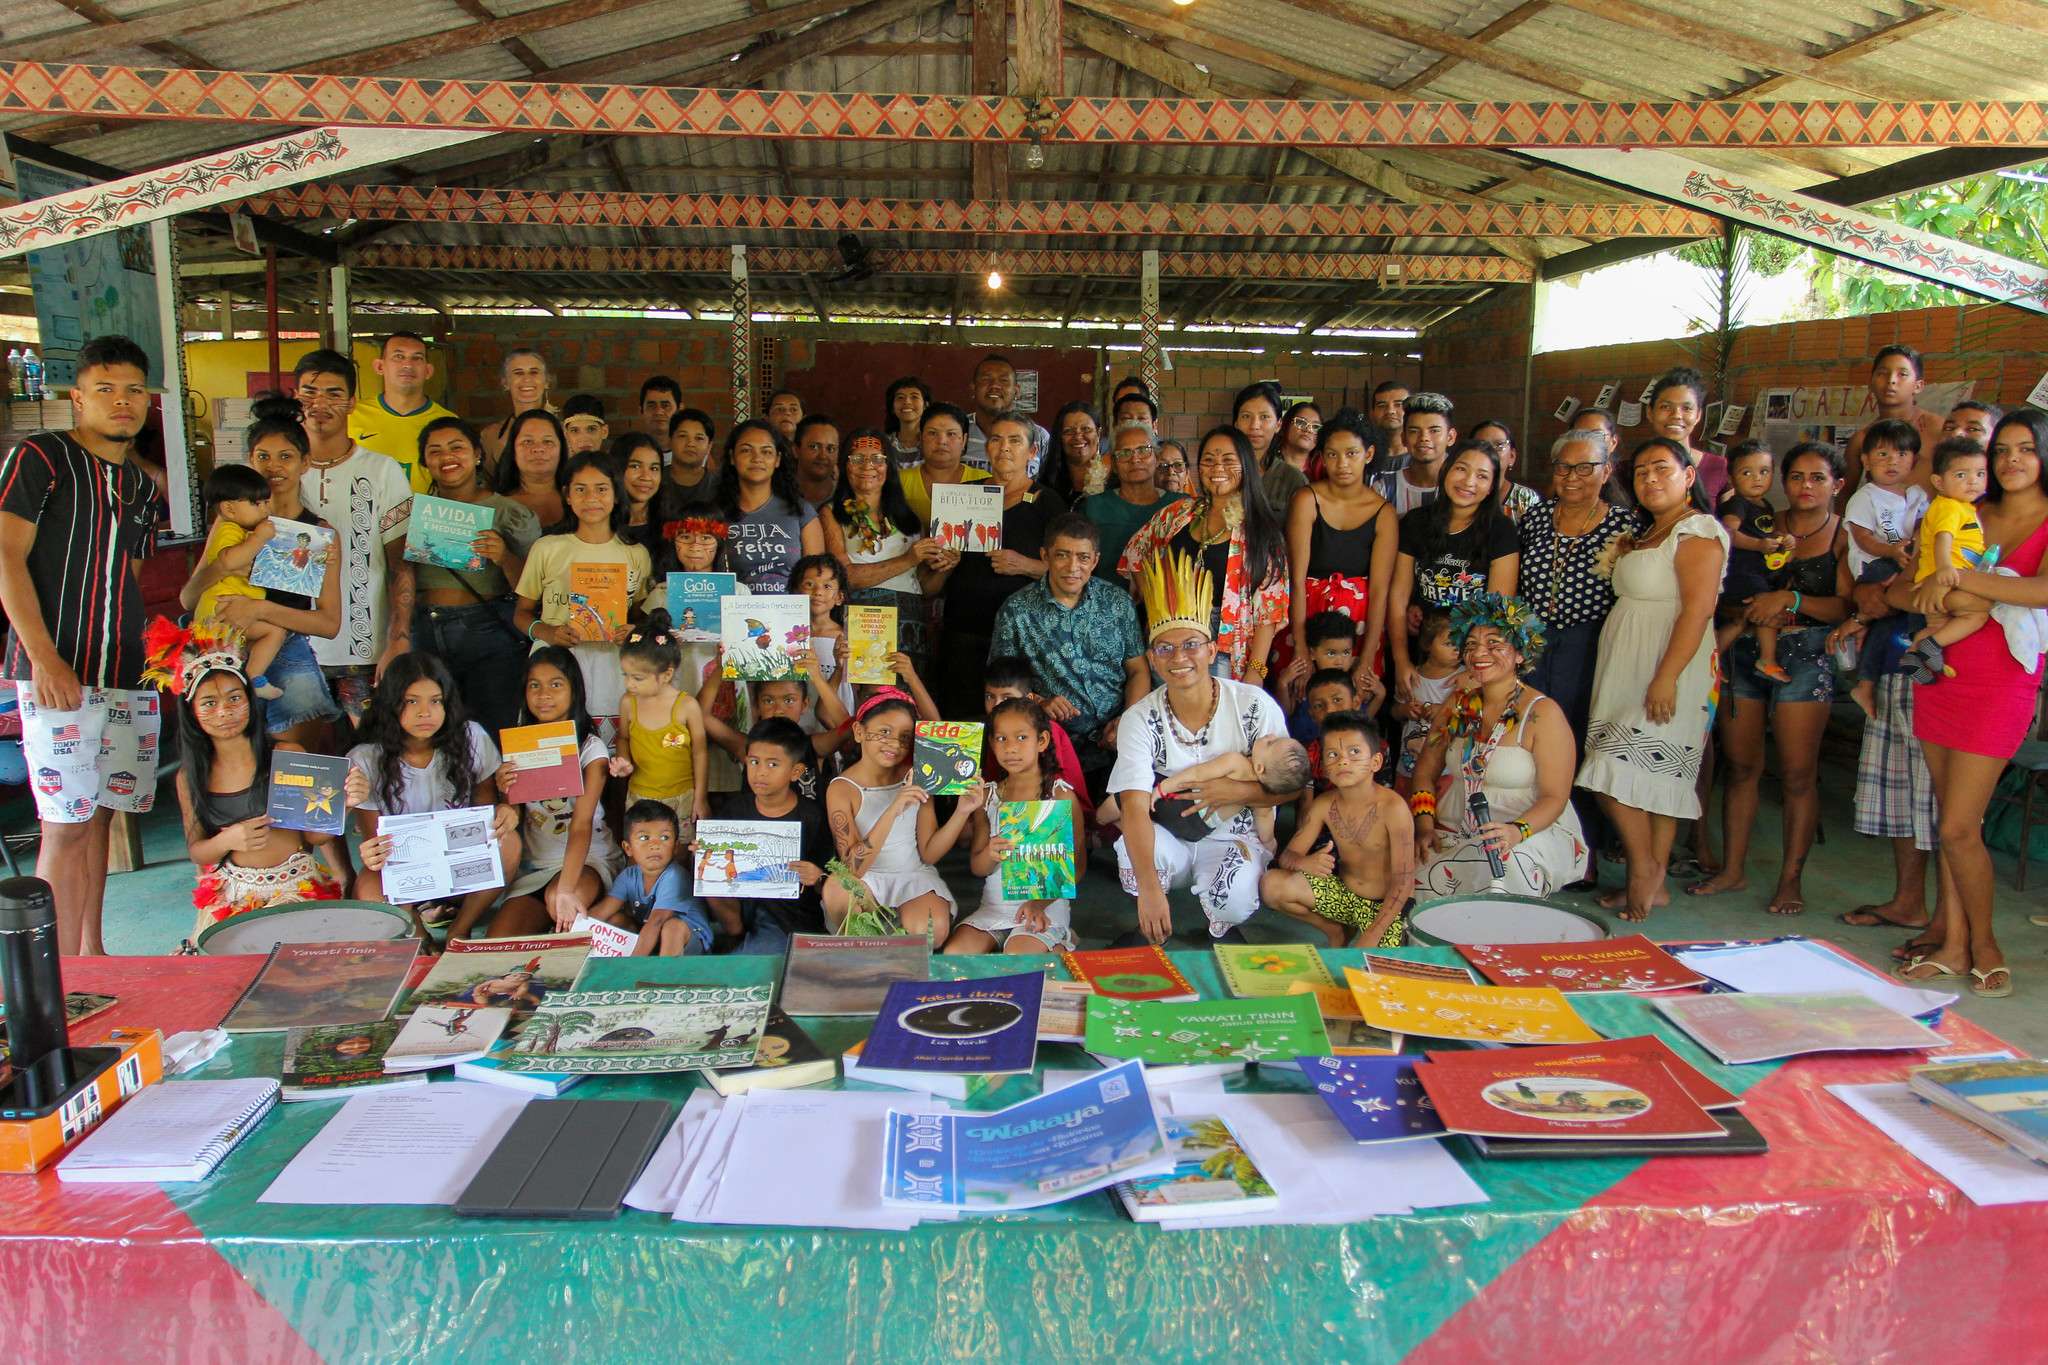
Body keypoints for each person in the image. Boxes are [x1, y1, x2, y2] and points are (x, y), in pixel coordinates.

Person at [0, 335, 164, 955]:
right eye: (105, 389)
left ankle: (94, 957)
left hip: (122, 674)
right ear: (77, 397)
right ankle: (56, 971)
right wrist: (44, 659)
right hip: (55, 675)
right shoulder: (40, 458)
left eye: (132, 391)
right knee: (65, 827)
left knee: (100, 817)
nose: (120, 402)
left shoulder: (144, 489)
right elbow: (5, 557)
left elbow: (132, 582)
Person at [1889, 409, 2048, 998]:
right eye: (2002, 449)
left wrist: (1961, 579)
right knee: (1956, 822)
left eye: (2026, 449)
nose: (2011, 460)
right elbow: (1905, 587)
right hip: (1942, 675)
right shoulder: (1962, 510)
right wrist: (1934, 581)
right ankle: (1954, 944)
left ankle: (1986, 943)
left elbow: (2041, 591)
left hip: (2001, 683)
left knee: (1957, 826)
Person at [1689, 442, 1848, 916]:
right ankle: (1733, 870)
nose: (1805, 486)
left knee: (1798, 775)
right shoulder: (1760, 522)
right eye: (1796, 476)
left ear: (1837, 485)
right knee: (1741, 768)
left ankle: (1789, 881)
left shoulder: (1843, 536)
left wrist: (1791, 601)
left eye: (1817, 478)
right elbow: (1728, 587)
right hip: (1746, 652)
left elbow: (1847, 606)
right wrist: (1748, 612)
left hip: (1808, 655)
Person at [1576, 438, 1728, 922]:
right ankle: (1655, 879)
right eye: (1640, 472)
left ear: (1689, 476)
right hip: (1628, 662)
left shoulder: (1698, 529)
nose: (1650, 479)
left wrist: (1666, 677)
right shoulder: (1648, 532)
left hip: (1668, 664)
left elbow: (1700, 608)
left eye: (1662, 468)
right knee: (1650, 776)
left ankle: (1644, 868)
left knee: (1612, 771)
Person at [1108, 552, 1295, 945]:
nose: (1179, 658)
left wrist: (1240, 791)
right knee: (1132, 848)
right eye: (1164, 648)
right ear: (1152, 659)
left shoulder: (1255, 706)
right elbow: (1134, 807)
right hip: (1169, 835)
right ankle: (1158, 903)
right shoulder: (1139, 718)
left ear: (1212, 651)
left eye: (1191, 644)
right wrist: (1150, 890)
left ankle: (1222, 924)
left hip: (1234, 836)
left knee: (1234, 900)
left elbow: (1293, 786)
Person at [154, 628, 346, 938]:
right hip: (232, 895)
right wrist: (227, 841)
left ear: (249, 699)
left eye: (234, 698)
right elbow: (198, 850)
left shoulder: (288, 755)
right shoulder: (190, 776)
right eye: (209, 703)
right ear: (191, 712)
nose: (225, 712)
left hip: (294, 889)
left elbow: (316, 837)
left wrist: (342, 803)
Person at [182, 400, 344, 748]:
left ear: (305, 463)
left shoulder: (319, 534)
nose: (274, 467)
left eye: (286, 456)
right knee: (232, 764)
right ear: (250, 461)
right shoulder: (229, 523)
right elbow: (188, 598)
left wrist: (258, 610)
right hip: (220, 647)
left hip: (285, 648)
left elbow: (329, 623)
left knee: (295, 767)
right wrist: (222, 568)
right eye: (262, 457)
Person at [1409, 597, 1587, 900]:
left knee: (1504, 868)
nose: (1479, 653)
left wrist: (1516, 831)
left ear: (1520, 653)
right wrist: (1425, 825)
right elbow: (1424, 773)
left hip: (1528, 833)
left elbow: (1555, 797)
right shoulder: (1455, 706)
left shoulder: (1543, 714)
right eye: (1471, 644)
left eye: (1494, 644)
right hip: (1457, 832)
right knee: (1406, 877)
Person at [1517, 427, 1637, 871]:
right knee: (1529, 740)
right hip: (1532, 645)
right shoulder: (1534, 517)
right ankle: (1528, 842)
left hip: (1588, 646)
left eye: (1585, 467)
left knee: (1579, 742)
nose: (1572, 476)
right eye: (1564, 466)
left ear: (1606, 471)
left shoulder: (1624, 526)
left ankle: (1580, 853)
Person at [346, 653, 522, 935]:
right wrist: (414, 923)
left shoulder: (471, 736)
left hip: (460, 860)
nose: (425, 712)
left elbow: (485, 812)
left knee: (508, 842)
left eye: (435, 700)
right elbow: (376, 847)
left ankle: (459, 929)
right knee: (368, 890)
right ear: (391, 704)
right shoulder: (365, 758)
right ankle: (417, 931)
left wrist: (506, 811)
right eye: (411, 701)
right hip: (402, 868)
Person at [293, 348, 415, 724]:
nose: (320, 403)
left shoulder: (382, 470)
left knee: (373, 759)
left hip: (366, 650)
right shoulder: (278, 470)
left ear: (351, 403)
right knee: (301, 768)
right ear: (295, 397)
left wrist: (398, 638)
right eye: (309, 392)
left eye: (333, 393)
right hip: (293, 649)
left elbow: (401, 560)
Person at [1117, 426, 1289, 685]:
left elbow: (1269, 611)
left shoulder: (1262, 532)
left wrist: (1256, 669)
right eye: (1209, 460)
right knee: (1167, 719)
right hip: (1169, 639)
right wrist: (1155, 603)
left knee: (1216, 720)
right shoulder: (1179, 513)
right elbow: (1136, 551)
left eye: (1228, 460)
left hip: (1223, 646)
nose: (1217, 468)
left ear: (1247, 465)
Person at [924, 412, 1067, 717]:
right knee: (962, 725)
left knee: (1015, 725)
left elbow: (1071, 575)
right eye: (996, 439)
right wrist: (946, 563)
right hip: (963, 634)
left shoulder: (1047, 502)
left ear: (1031, 452)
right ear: (986, 449)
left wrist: (1024, 565)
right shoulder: (962, 496)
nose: (1004, 447)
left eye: (1015, 440)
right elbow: (930, 582)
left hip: (1022, 642)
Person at [988, 514, 1148, 783]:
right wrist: (1040, 703)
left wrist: (1127, 722)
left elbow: (1138, 670)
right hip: (1053, 750)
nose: (1073, 567)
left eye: (1083, 558)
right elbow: (999, 687)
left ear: (1095, 560)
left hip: (1119, 744)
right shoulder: (1016, 610)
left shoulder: (1117, 602)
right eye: (1062, 555)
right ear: (1045, 556)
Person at [406, 416, 538, 735]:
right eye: (434, 451)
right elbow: (393, 571)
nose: (447, 457)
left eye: (457, 448)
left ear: (477, 454)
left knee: (494, 733)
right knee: (432, 735)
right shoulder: (409, 511)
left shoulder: (510, 512)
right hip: (423, 630)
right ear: (425, 463)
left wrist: (503, 555)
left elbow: (534, 588)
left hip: (488, 633)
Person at [822, 689, 975, 941]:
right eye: (885, 732)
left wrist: (961, 812)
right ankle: (876, 939)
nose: (895, 743)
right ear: (859, 732)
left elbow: (930, 853)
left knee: (930, 933)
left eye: (905, 737)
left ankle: (887, 936)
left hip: (912, 876)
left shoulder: (917, 777)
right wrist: (893, 809)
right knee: (839, 890)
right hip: (866, 880)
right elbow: (853, 869)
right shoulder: (841, 788)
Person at [514, 448, 652, 723]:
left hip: (613, 665)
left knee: (611, 743)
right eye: (580, 489)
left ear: (616, 494)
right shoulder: (547, 548)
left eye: (601, 489)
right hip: (553, 663)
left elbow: (638, 616)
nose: (591, 498)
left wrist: (635, 632)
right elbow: (522, 613)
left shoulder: (635, 553)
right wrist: (547, 632)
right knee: (555, 747)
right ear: (567, 495)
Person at [490, 647, 619, 938]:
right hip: (535, 865)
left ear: (575, 691)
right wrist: (504, 796)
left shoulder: (590, 747)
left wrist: (565, 889)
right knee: (496, 941)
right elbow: (516, 812)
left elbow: (582, 825)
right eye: (534, 685)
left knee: (557, 902)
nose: (544, 694)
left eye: (556, 684)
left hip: (588, 861)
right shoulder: (519, 743)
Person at [945, 696, 1087, 954]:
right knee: (956, 955)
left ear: (1041, 741)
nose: (1011, 748)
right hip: (995, 905)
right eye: (1001, 739)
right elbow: (978, 868)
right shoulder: (987, 797)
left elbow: (1076, 869)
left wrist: (1038, 904)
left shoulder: (1059, 796)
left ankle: (1061, 942)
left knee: (1018, 957)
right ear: (992, 744)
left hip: (1043, 905)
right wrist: (990, 853)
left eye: (1021, 738)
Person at [1262, 712, 1414, 948]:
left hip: (1385, 906)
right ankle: (1336, 932)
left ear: (1376, 761)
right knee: (1271, 885)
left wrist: (1372, 936)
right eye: (1333, 754)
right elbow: (1289, 856)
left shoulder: (1394, 808)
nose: (1343, 760)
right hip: (1345, 897)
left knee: (1374, 970)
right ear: (1323, 767)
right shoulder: (1324, 804)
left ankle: (1367, 935)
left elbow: (1403, 883)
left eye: (1354, 752)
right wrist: (1304, 863)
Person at [1388, 438, 1519, 701]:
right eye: (1461, 469)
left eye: (1482, 476)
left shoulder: (1501, 531)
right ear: (1446, 468)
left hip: (1472, 655)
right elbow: (1398, 595)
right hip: (1420, 651)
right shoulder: (1417, 522)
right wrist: (1401, 660)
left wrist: (1475, 670)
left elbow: (1497, 609)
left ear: (1492, 485)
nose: (1468, 482)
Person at [1284, 409, 1396, 700]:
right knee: (1302, 703)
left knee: (1353, 706)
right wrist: (1300, 649)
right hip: (1306, 620)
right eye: (1332, 454)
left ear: (1368, 454)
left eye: (1351, 454)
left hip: (1359, 629)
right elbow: (1295, 579)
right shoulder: (1306, 499)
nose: (1342, 463)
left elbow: (1381, 590)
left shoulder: (1383, 512)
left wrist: (1368, 657)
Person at [820, 427, 942, 678]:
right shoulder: (831, 514)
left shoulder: (909, 517)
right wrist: (908, 559)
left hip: (911, 622)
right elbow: (845, 578)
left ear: (890, 467)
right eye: (857, 459)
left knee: (910, 702)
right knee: (869, 703)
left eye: (878, 459)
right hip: (863, 621)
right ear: (845, 466)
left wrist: (946, 567)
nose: (868, 466)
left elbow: (924, 587)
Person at [704, 717, 832, 953]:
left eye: (773, 764)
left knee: (762, 955)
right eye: (754, 762)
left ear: (796, 772)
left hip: (787, 914)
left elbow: (828, 877)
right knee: (704, 871)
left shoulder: (813, 817)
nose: (760, 772)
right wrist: (704, 852)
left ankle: (749, 947)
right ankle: (737, 936)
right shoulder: (735, 811)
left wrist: (817, 876)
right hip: (741, 907)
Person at [1838, 420, 1928, 715]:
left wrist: (1910, 549)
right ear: (1865, 460)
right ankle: (1920, 641)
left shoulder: (1917, 495)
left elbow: (1921, 529)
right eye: (1882, 455)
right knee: (1909, 593)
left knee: (1885, 623)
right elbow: (1863, 539)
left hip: (1903, 560)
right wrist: (1892, 550)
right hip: (1874, 564)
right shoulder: (1865, 496)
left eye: (1902, 454)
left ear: (1914, 459)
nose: (1893, 462)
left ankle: (1864, 684)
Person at [190, 464, 292, 701]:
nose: (266, 508)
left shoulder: (245, 530)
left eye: (267, 502)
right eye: (257, 503)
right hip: (221, 606)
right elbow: (229, 559)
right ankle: (253, 679)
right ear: (229, 509)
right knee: (274, 632)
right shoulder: (229, 528)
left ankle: (247, 679)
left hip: (232, 607)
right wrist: (260, 538)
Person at [610, 609, 710, 837]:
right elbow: (624, 737)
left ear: (666, 675)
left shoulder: (687, 706)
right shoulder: (628, 703)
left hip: (683, 796)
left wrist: (700, 798)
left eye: (637, 678)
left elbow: (700, 753)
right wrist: (624, 761)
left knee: (681, 853)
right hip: (640, 795)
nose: (629, 684)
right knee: (642, 853)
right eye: (625, 675)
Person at [1900, 441, 1993, 682]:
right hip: (1947, 578)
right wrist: (1944, 568)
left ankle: (1913, 654)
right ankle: (1932, 646)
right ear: (1939, 482)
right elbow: (1944, 537)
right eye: (1961, 474)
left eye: (1980, 473)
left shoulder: (1959, 506)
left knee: (1937, 624)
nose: (1972, 481)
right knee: (1977, 614)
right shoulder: (1951, 507)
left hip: (1933, 579)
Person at [1153, 734, 1311, 859]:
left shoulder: (1236, 763)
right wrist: (1270, 843)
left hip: (1178, 806)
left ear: (1260, 768)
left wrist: (1163, 788)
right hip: (1197, 830)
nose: (1270, 735)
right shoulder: (1262, 799)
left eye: (1271, 743)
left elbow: (1197, 774)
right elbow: (1265, 827)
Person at [1712, 441, 1794, 680]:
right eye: (1746, 473)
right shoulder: (1737, 503)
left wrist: (1781, 540)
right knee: (1766, 610)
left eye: (1764, 471)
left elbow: (1762, 533)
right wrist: (1759, 545)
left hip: (1755, 571)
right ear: (1731, 478)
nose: (1756, 478)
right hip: (1741, 571)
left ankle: (1712, 661)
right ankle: (1767, 660)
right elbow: (1728, 533)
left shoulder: (1764, 505)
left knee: (1740, 621)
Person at [589, 799, 710, 956]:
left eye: (664, 838)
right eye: (645, 838)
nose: (655, 845)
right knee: (616, 920)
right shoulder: (628, 876)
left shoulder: (675, 875)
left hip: (689, 942)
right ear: (628, 848)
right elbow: (601, 912)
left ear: (675, 846)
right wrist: (573, 935)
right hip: (651, 939)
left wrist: (632, 967)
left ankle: (663, 979)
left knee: (672, 926)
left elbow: (657, 921)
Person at [720, 419, 824, 592]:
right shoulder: (717, 514)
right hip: (733, 615)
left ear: (778, 460)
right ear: (732, 457)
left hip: (790, 615)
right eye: (746, 450)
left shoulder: (801, 511)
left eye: (766, 452)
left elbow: (816, 579)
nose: (757, 458)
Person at [348, 331, 453, 493]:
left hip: (424, 517)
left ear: (428, 370)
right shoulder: (350, 416)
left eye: (417, 358)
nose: (407, 365)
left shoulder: (448, 422)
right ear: (379, 366)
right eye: (398, 357)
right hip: (365, 515)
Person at [1082, 420, 1183, 584]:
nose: (1135, 459)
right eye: (1124, 453)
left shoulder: (1179, 507)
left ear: (1156, 458)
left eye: (1143, 450)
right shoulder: (1094, 507)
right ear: (1113, 464)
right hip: (1108, 606)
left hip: (1170, 607)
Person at [1843, 344, 1946, 495]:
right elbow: (1844, 494)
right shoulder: (1861, 439)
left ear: (1918, 386)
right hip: (1880, 519)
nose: (1891, 380)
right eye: (1883, 373)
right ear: (1870, 383)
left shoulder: (1938, 428)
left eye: (1902, 374)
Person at [1393, 608, 1462, 794]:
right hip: (1408, 767)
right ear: (1426, 644)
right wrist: (1405, 710)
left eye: (1461, 642)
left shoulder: (1463, 677)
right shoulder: (1412, 676)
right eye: (1449, 643)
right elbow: (1395, 711)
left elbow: (1474, 715)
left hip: (1447, 771)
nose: (1457, 649)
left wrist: (1444, 710)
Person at [1646, 366, 1727, 507]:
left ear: (1698, 415)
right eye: (1666, 407)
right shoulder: (1630, 469)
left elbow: (1727, 526)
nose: (1676, 415)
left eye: (1687, 408)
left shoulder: (1718, 466)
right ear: (1650, 412)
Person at [898, 400, 987, 529]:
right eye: (933, 433)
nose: (941, 441)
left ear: (964, 440)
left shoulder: (985, 482)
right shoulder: (900, 482)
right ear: (920, 437)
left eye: (951, 434)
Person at [961, 354, 1050, 475]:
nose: (994, 385)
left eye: (1003, 380)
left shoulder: (1038, 436)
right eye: (986, 379)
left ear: (1016, 391)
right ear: (973, 389)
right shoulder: (958, 431)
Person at [1233, 382, 1305, 513]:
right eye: (1246, 416)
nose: (1254, 425)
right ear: (1236, 423)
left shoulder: (1293, 480)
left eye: (1264, 417)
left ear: (1278, 424)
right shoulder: (1223, 472)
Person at [1378, 392, 1454, 514]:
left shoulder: (1464, 487)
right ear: (1403, 438)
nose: (1424, 438)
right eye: (1414, 431)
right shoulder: (1384, 490)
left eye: (1434, 431)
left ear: (1450, 437)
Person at [479, 347, 553, 473]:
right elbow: (489, 486)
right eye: (518, 373)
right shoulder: (491, 435)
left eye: (534, 372)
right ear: (506, 383)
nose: (527, 379)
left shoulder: (566, 433)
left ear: (546, 381)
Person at [493, 407, 567, 531]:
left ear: (561, 449)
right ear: (513, 450)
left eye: (548, 442)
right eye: (527, 441)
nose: (538, 448)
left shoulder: (579, 499)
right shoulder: (496, 508)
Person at [615, 431, 686, 558]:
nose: (646, 477)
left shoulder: (675, 525)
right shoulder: (600, 524)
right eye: (635, 466)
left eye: (654, 469)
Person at [1470, 420, 1542, 521]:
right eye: (1482, 445)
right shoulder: (1464, 491)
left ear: (1512, 456)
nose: (1491, 452)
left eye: (1499, 445)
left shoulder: (1525, 498)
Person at [1048, 400, 1108, 503]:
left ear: (1098, 434)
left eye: (1085, 429)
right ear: (1060, 437)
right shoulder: (1047, 483)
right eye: (1069, 431)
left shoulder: (1112, 481)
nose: (1078, 436)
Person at [792, 413, 841, 510]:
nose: (823, 456)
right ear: (796, 451)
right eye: (814, 447)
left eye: (830, 449)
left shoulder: (846, 498)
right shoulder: (776, 497)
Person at [882, 376, 931, 465]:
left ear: (926, 405)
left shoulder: (935, 442)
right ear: (892, 407)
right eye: (900, 397)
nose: (907, 401)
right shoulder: (883, 445)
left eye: (914, 397)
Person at [667, 408, 716, 493]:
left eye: (699, 438)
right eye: (683, 436)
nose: (690, 444)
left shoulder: (720, 487)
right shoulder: (654, 480)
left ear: (709, 447)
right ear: (670, 441)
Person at [1275, 399, 1321, 484]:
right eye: (1301, 422)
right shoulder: (1267, 463)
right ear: (1285, 424)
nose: (1308, 430)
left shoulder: (1322, 472)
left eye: (1315, 426)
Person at [1369, 380, 1411, 469]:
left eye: (1398, 405)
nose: (1390, 411)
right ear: (1372, 414)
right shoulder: (1363, 456)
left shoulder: (1422, 455)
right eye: (1382, 406)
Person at [638, 375, 682, 443]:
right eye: (651, 405)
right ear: (641, 411)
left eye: (666, 406)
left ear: (679, 411)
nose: (658, 412)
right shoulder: (629, 452)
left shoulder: (694, 452)